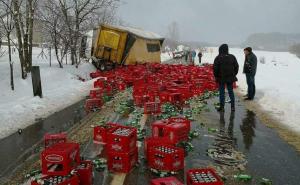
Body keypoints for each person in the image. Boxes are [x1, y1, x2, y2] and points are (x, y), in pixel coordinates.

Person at [213, 44, 239, 112]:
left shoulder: (218, 57)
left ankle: (222, 107)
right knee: (231, 91)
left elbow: (215, 69)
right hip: (230, 78)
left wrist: (216, 76)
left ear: (220, 50)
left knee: (222, 92)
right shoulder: (232, 57)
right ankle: (233, 107)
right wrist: (233, 74)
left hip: (221, 78)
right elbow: (236, 67)